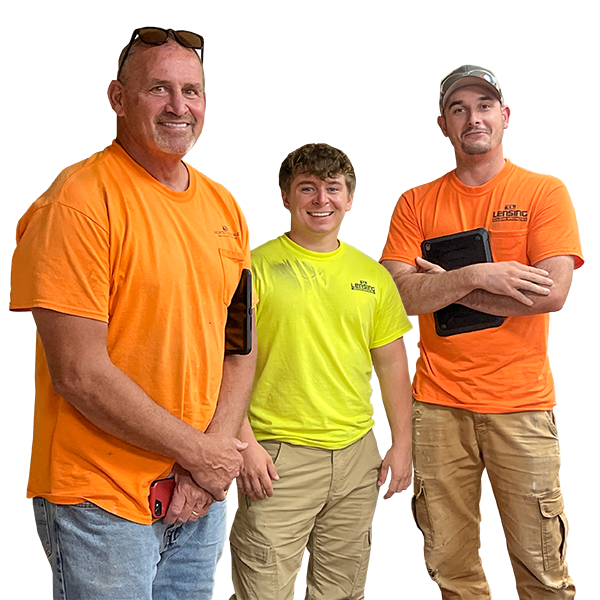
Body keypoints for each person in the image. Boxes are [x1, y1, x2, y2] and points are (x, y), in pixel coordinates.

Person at [10, 26, 257, 599]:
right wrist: (200, 454)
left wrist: (204, 465)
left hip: (197, 496)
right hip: (101, 500)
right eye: (159, 90)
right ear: (118, 99)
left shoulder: (224, 208)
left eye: (191, 91)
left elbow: (240, 342)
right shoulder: (76, 204)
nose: (179, 106)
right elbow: (80, 373)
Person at [380, 64, 582, 599]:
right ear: (443, 125)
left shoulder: (544, 192)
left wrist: (443, 285)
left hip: (520, 406)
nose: (474, 118)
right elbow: (399, 293)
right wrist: (479, 275)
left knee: (540, 566)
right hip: (437, 407)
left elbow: (552, 293)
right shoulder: (416, 202)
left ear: (505, 117)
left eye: (485, 106)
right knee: (450, 567)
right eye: (459, 109)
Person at [227, 142, 413, 600]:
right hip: (276, 459)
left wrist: (403, 445)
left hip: (355, 456)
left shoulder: (373, 277)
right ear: (286, 197)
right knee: (264, 592)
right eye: (307, 188)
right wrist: (245, 444)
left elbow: (391, 363)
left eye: (333, 188)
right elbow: (220, 362)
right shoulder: (251, 269)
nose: (321, 200)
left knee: (341, 592)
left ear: (350, 199)